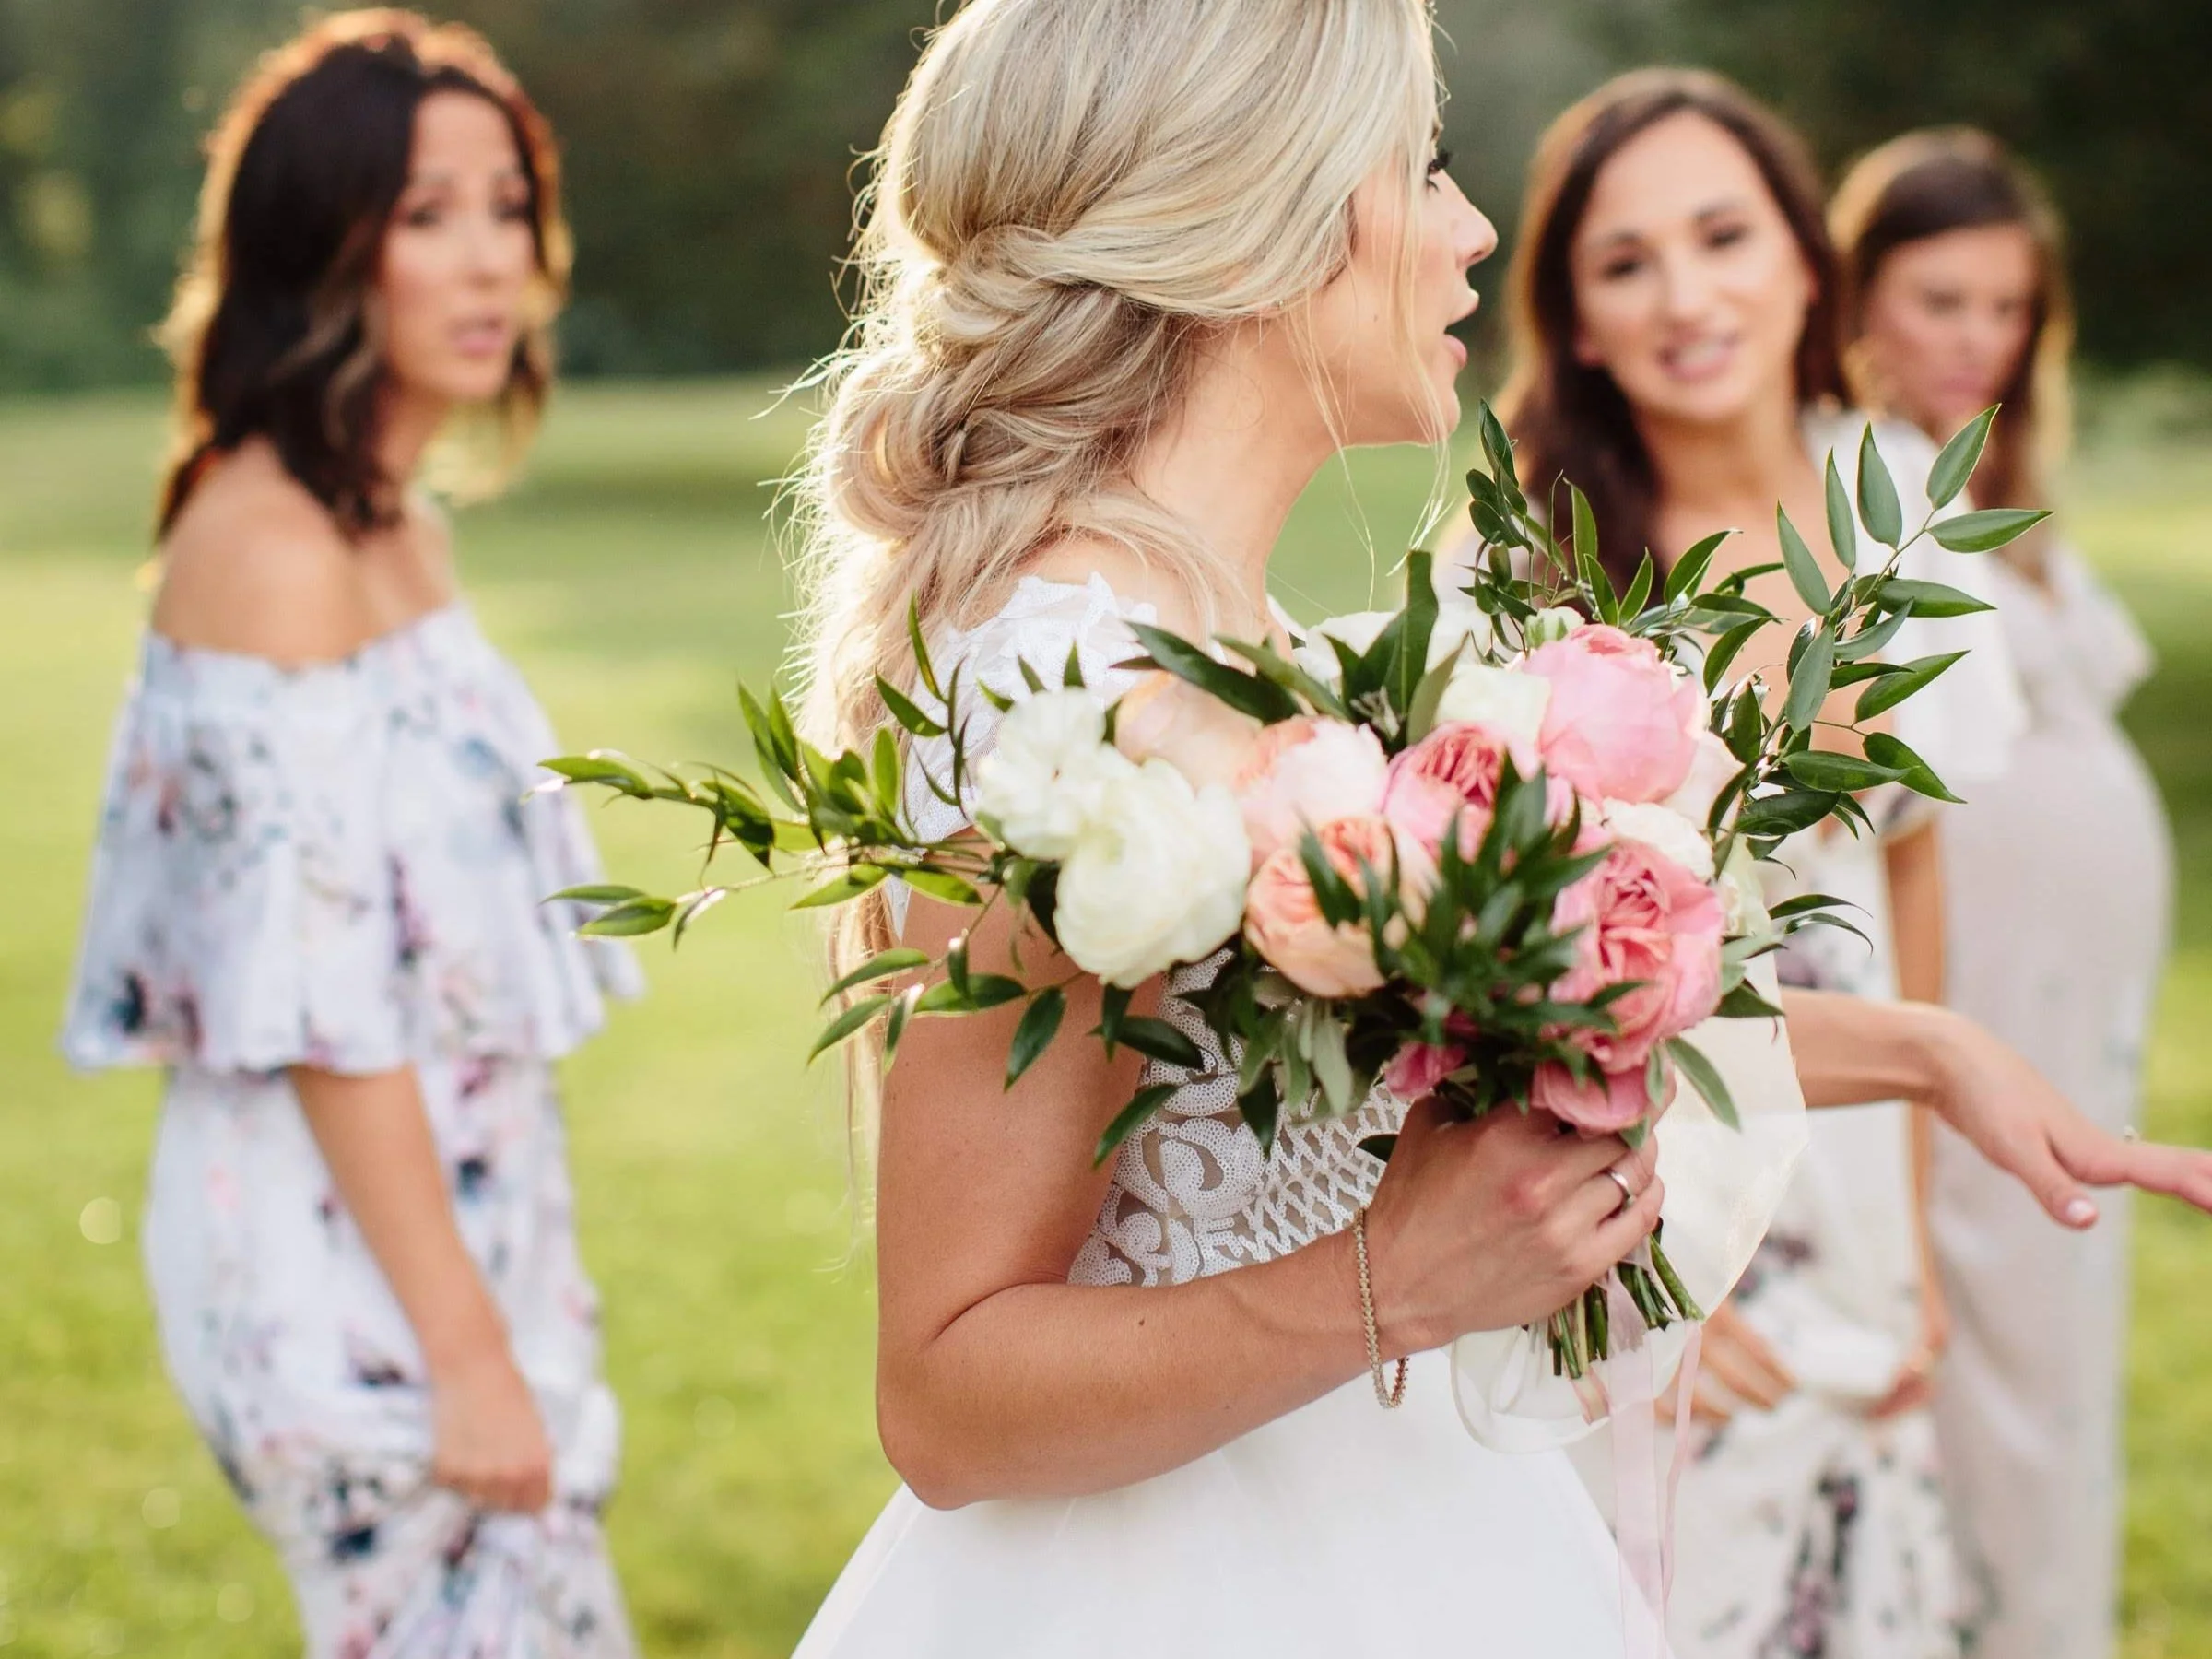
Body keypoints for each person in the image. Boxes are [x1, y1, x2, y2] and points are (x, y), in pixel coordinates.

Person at [782, 7, 2210, 1655]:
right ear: (1268, 214)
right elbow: (947, 1398)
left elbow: (1461, 1026)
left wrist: (1928, 1050)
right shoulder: (1060, 697)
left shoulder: (1270, 670)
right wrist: (1394, 1284)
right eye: (1425, 167)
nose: (1473, 231)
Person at [60, 12, 640, 1655]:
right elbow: (321, 1008)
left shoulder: (400, 533)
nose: (488, 264)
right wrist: (469, 1360)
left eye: (507, 207)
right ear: (323, 250)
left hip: (471, 1226)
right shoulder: (267, 550)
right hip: (347, 1275)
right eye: (424, 213)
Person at [1491, 68, 2033, 1656]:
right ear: (1578, 320)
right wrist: (1627, 1279)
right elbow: (1488, 971)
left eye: (1724, 236)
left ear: (1805, 261)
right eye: (1626, 261)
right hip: (1647, 1205)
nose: (1686, 297)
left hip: (1854, 1175)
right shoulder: (1538, 564)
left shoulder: (1907, 513)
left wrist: (1921, 1240)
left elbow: (1910, 877)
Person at [1832, 126, 2175, 1659]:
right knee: (1994, 1325)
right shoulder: (1858, 477)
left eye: (2007, 307)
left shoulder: (1988, 481)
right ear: (1859, 298)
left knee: (2061, 1328)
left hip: (2065, 994)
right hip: (1967, 982)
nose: (1978, 340)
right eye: (1940, 298)